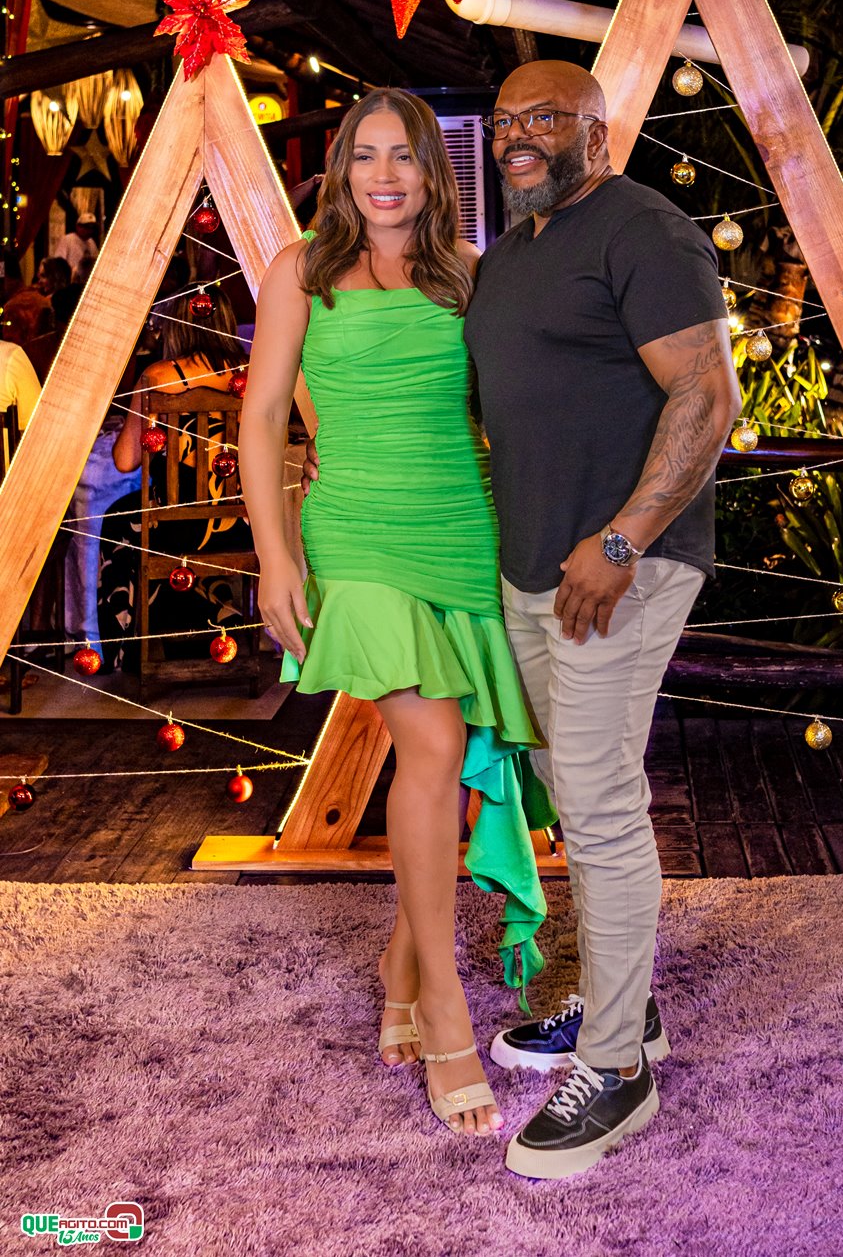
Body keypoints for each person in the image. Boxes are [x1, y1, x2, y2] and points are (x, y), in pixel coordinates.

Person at [302, 60, 741, 1179]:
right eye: (505, 122)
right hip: (526, 569)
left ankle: (619, 1068)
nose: (519, 136)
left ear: (599, 131)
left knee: (596, 804)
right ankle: (625, 1006)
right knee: (566, 787)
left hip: (616, 568)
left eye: (546, 118)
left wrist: (622, 541)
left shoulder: (643, 229)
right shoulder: (513, 254)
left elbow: (708, 396)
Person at [239, 87, 554, 1141]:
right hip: (356, 535)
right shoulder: (300, 270)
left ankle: (399, 969)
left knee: (455, 755)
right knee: (433, 742)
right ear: (341, 170)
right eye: (365, 155)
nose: (384, 175)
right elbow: (261, 417)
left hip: (463, 531)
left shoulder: (470, 276)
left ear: (432, 171)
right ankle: (447, 1012)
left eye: (403, 156)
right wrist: (275, 556)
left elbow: (513, 409)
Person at [96, 285, 253, 670]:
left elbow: (125, 461)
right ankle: (215, 624)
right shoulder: (252, 373)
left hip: (174, 525)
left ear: (177, 325)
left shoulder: (157, 376)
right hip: (242, 523)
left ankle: (128, 650)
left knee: (118, 521)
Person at [55, 211, 99, 284]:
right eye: (87, 227)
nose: (89, 231)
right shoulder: (67, 239)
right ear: (78, 226)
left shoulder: (91, 242)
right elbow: (59, 263)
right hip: (70, 282)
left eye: (92, 228)